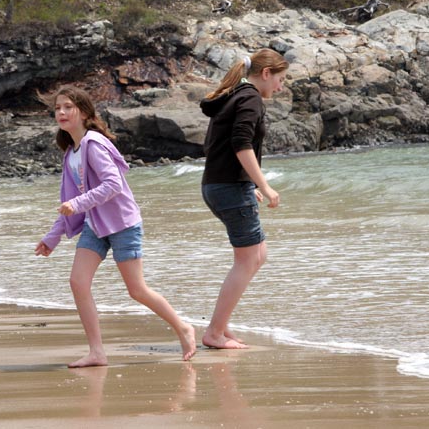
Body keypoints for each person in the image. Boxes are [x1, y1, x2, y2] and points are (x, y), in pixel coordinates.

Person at [35, 85, 197, 367]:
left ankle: (183, 328)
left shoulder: (93, 144)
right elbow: (70, 202)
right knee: (78, 282)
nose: (61, 112)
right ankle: (96, 352)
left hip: (123, 224)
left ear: (84, 112)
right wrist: (53, 237)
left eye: (68, 107)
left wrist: (79, 204)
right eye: (58, 108)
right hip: (95, 226)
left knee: (137, 290)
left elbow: (113, 184)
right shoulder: (71, 153)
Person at [199, 49, 288, 349]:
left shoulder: (234, 95)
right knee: (249, 259)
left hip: (220, 185)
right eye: (280, 79)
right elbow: (241, 143)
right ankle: (214, 333)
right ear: (266, 73)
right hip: (228, 188)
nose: (281, 87)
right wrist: (263, 185)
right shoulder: (250, 98)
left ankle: (220, 325)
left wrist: (248, 184)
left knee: (258, 255)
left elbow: (218, 145)